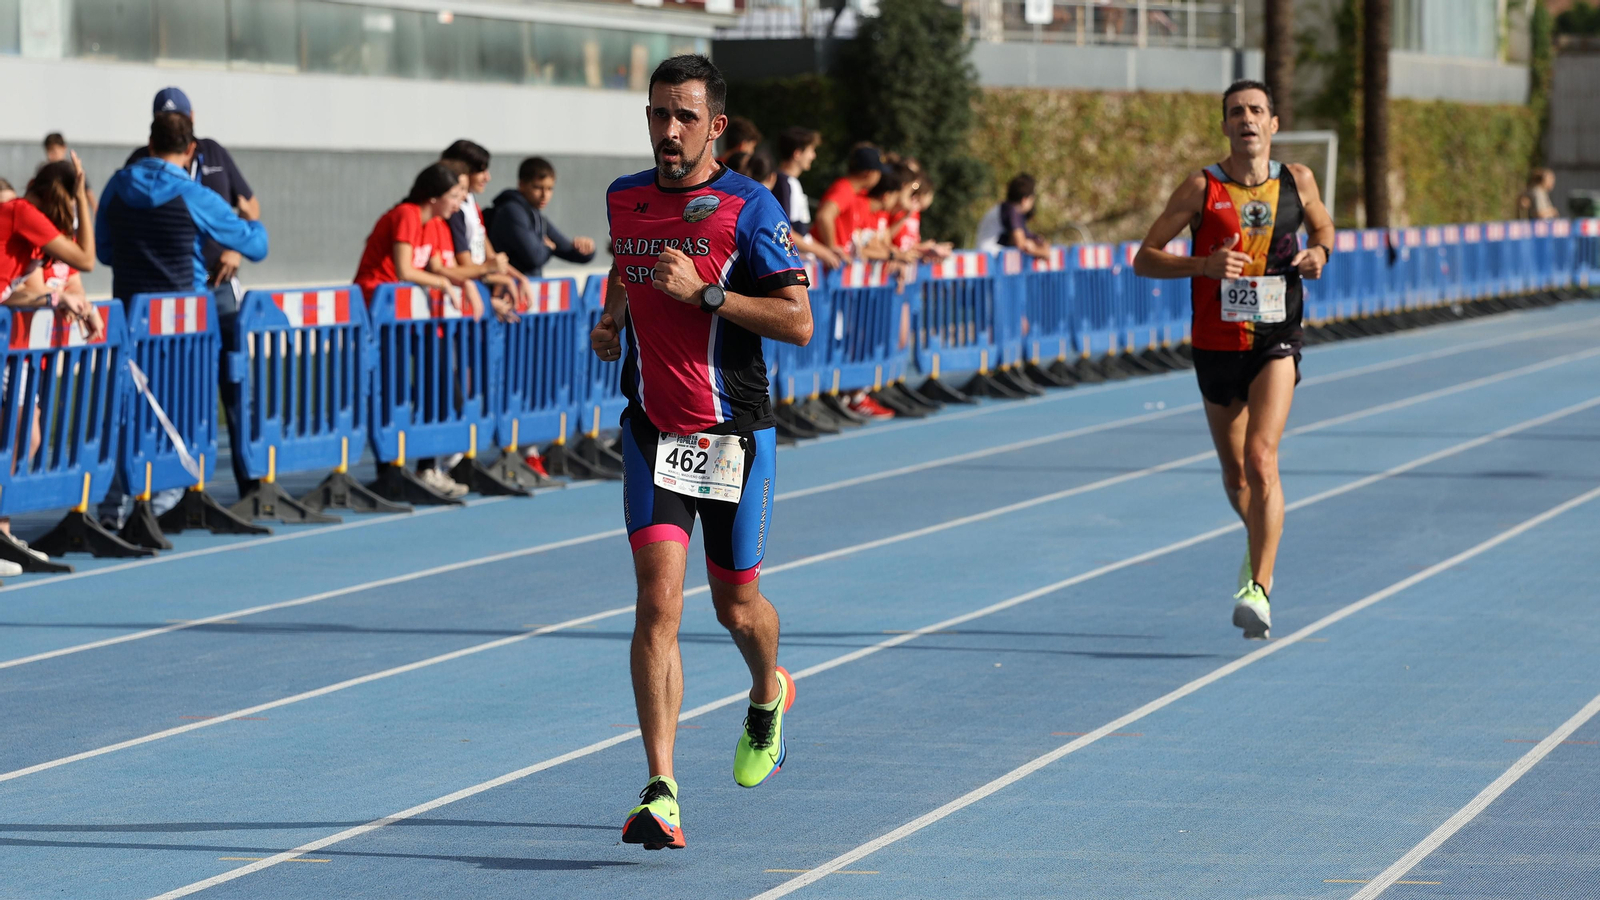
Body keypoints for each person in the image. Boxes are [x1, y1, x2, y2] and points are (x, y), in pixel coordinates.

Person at [590, 54, 812, 851]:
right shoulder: (626, 197)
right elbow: (628, 260)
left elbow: (797, 320)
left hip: (732, 437)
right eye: (658, 114)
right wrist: (614, 316)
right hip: (653, 428)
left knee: (735, 607)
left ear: (715, 124)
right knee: (657, 601)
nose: (669, 130)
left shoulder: (751, 208)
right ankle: (662, 787)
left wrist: (709, 295)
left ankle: (766, 692)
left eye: (684, 116)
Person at [1132, 79, 1335, 640]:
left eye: (1256, 111)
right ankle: (1259, 544)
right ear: (1224, 126)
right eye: (1235, 112)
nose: (1246, 119)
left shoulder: (1298, 179)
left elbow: (1323, 225)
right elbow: (1143, 259)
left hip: (1277, 337)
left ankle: (1259, 589)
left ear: (1273, 124)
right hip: (1216, 345)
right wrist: (1201, 267)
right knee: (1235, 474)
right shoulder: (1201, 187)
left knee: (1262, 458)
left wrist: (1321, 252)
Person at [98, 111, 269, 527]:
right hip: (184, 328)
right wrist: (248, 218)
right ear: (191, 150)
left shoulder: (118, 185)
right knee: (180, 415)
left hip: (132, 321)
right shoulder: (193, 194)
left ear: (150, 143)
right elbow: (258, 244)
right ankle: (157, 508)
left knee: (131, 412)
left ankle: (116, 511)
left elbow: (104, 251)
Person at [352, 162, 486, 499]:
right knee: (392, 388)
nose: (459, 203)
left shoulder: (436, 224)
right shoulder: (408, 214)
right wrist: (444, 281)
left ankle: (427, 467)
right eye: (455, 195)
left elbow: (441, 265)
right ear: (435, 195)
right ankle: (390, 471)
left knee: (436, 385)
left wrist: (466, 284)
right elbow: (404, 269)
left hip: (410, 316)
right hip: (380, 312)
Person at [0, 155, 101, 572]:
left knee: (25, 434)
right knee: (20, 433)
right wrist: (79, 194)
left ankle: (2, 533)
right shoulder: (21, 212)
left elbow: (25, 291)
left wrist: (55, 299)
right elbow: (87, 259)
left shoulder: (26, 230)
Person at [125, 88, 259, 308]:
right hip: (163, 286)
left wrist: (236, 249)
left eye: (180, 118)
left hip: (217, 281)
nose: (175, 126)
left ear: (192, 117)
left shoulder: (214, 152)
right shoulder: (139, 165)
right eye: (166, 119)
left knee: (229, 339)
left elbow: (250, 206)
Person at [439, 140, 528, 316]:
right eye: (481, 170)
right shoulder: (454, 211)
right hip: (466, 298)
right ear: (462, 170)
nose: (488, 177)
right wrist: (493, 277)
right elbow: (466, 265)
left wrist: (518, 277)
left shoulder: (471, 203)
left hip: (477, 288)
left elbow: (490, 255)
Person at [486, 157, 597, 279]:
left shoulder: (536, 216)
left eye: (549, 189)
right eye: (538, 187)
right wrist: (548, 248)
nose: (545, 195)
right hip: (508, 290)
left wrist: (587, 249)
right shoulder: (511, 211)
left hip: (528, 289)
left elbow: (568, 250)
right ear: (521, 185)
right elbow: (534, 257)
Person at [771, 127, 841, 268]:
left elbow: (801, 233)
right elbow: (785, 231)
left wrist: (827, 250)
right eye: (811, 150)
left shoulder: (790, 182)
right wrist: (822, 252)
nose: (813, 156)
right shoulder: (784, 183)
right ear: (797, 154)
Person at [812, 144, 885, 257]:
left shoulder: (852, 191)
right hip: (824, 265)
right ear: (869, 173)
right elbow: (824, 216)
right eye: (879, 172)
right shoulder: (844, 189)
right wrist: (832, 248)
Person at [976, 173, 1051, 259]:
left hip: (991, 258)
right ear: (1025, 200)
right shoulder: (1011, 210)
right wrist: (1043, 252)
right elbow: (1021, 244)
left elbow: (1019, 238)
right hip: (991, 259)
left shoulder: (1008, 209)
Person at [42, 134, 94, 210]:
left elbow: (87, 192)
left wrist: (96, 210)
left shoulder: (72, 169)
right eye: (48, 151)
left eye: (53, 150)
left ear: (63, 148)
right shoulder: (45, 172)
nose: (50, 156)